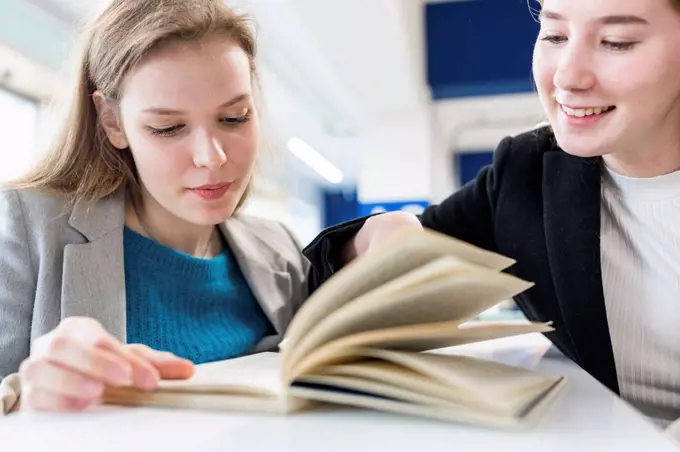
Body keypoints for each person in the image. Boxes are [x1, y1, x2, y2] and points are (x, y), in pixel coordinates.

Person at [304, 0, 680, 428]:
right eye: (555, 35)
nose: (567, 77)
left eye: (616, 42)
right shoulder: (525, 174)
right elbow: (326, 283)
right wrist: (369, 243)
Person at [0, 0, 309, 414]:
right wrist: (22, 403)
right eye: (169, 127)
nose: (212, 157)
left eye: (235, 117)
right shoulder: (25, 228)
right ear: (112, 122)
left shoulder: (281, 249)